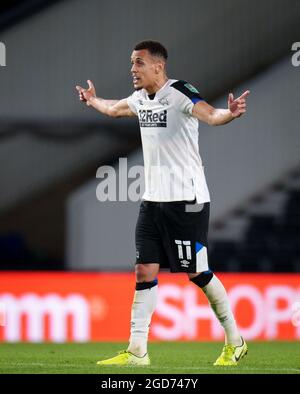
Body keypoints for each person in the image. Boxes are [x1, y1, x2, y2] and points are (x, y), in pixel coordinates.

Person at [76, 40, 250, 367]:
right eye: (131, 63)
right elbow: (115, 109)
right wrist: (93, 100)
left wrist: (232, 113)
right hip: (152, 201)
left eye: (138, 63)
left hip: (187, 201)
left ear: (158, 66)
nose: (132, 69)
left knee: (197, 274)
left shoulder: (179, 92)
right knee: (144, 271)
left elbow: (211, 115)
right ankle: (137, 351)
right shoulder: (141, 99)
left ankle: (235, 340)